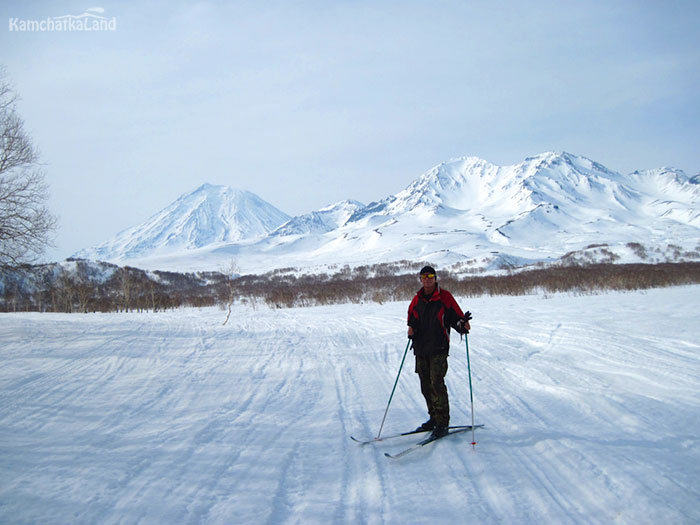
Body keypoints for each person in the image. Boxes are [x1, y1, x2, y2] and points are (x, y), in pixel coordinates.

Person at [407, 265, 471, 438]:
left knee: (437, 384)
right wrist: (411, 328)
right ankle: (433, 418)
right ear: (420, 279)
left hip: (438, 348)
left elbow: (456, 318)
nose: (427, 279)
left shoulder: (445, 297)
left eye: (430, 276)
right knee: (425, 386)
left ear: (435, 278)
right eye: (424, 276)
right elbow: (412, 318)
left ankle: (442, 423)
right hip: (420, 348)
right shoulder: (417, 299)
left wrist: (462, 325)